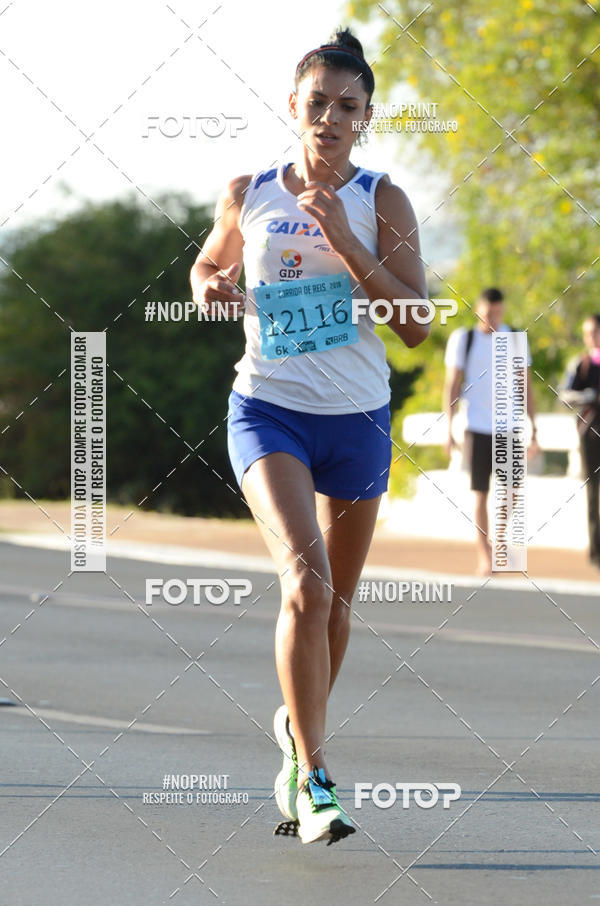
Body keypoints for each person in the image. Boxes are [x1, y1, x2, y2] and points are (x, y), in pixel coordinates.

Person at [189, 27, 429, 844]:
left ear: (366, 118)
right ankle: (316, 777)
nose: (330, 118)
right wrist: (209, 285)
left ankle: (295, 735)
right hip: (269, 408)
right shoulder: (248, 191)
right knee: (306, 585)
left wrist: (347, 242)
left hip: (357, 418)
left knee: (337, 608)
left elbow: (416, 326)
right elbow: (209, 265)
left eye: (347, 107)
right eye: (317, 102)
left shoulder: (382, 199)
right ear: (293, 106)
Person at [443, 288, 538, 576]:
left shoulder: (515, 339)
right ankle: (484, 555)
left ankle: (499, 539)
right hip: (476, 427)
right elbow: (452, 385)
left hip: (509, 427)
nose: (493, 319)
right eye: (488, 314)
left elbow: (525, 385)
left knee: (513, 489)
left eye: (498, 313)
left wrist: (534, 428)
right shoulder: (463, 339)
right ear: (478, 310)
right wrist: (448, 428)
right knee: (481, 495)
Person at [559, 314, 600, 567]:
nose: (590, 337)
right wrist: (589, 396)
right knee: (594, 493)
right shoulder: (582, 364)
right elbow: (564, 396)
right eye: (587, 333)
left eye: (594, 332)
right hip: (591, 436)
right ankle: (596, 552)